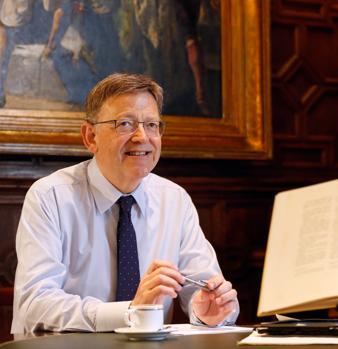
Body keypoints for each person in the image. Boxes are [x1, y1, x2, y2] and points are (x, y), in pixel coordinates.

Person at [11, 73, 239, 333]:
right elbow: (34, 304)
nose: (142, 136)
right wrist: (130, 312)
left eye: (152, 125)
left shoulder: (175, 200)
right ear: (90, 137)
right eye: (125, 124)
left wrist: (207, 309)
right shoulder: (50, 197)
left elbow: (201, 286)